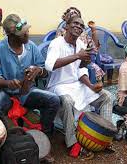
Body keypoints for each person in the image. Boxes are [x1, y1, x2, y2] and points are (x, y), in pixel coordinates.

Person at [45, 16, 113, 158]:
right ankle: (72, 143)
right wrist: (77, 56)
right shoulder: (56, 43)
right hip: (58, 86)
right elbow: (49, 65)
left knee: (106, 96)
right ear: (67, 26)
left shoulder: (81, 45)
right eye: (75, 23)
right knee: (68, 101)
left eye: (81, 25)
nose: (79, 26)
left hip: (77, 85)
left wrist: (91, 86)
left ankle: (104, 137)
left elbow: (81, 70)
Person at [0, 14, 60, 137]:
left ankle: (43, 137)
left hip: (27, 92)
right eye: (23, 33)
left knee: (53, 100)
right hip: (5, 93)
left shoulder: (31, 46)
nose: (27, 35)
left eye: (27, 31)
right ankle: (7, 137)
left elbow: (45, 70)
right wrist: (7, 83)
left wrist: (39, 70)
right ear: (11, 36)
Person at [56, 7, 105, 81]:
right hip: (67, 60)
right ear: (66, 18)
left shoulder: (83, 33)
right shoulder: (61, 31)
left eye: (76, 14)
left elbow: (94, 47)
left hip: (83, 61)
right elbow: (57, 48)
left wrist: (93, 30)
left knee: (93, 68)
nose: (73, 15)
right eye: (71, 14)